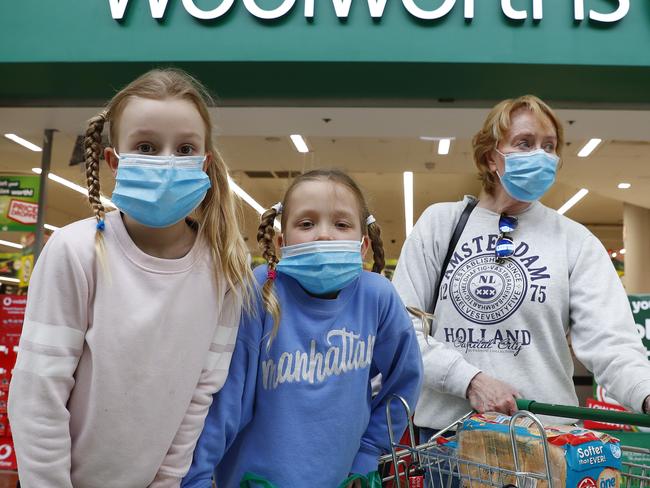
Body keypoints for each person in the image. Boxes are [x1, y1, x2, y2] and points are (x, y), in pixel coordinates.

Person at [8, 68, 253, 487]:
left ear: (204, 163)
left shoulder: (225, 269)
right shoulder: (75, 251)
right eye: (146, 146)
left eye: (185, 148)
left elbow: (199, 397)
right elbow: (38, 396)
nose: (166, 162)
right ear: (113, 160)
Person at [392, 95, 650, 442]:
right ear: (490, 157)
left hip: (544, 442)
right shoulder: (441, 224)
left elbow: (612, 343)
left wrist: (645, 393)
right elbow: (402, 330)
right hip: (447, 441)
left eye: (549, 146)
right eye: (524, 144)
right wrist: (469, 379)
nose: (540, 156)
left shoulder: (574, 241)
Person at [182, 169, 423, 488]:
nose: (324, 235)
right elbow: (227, 396)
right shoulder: (261, 290)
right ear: (282, 242)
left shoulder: (376, 296)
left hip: (341, 478)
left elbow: (404, 379)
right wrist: (196, 476)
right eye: (306, 224)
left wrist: (368, 450)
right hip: (254, 480)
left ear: (362, 245)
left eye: (341, 224)